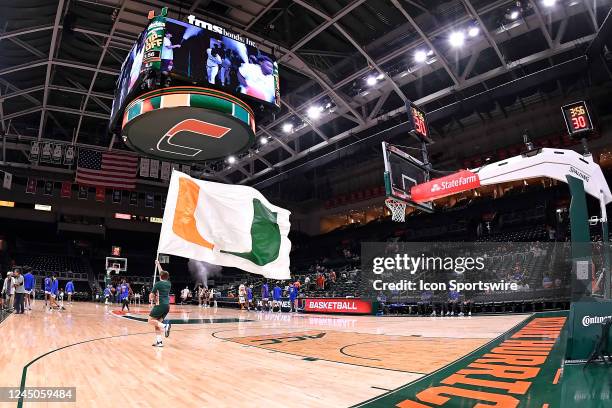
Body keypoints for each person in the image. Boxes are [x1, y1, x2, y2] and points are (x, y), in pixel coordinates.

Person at [148, 261, 172, 347]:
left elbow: (151, 295)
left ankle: (165, 326)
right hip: (167, 306)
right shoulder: (169, 283)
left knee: (150, 321)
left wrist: (151, 297)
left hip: (160, 305)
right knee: (156, 324)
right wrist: (158, 264)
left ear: (160, 276)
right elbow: (162, 273)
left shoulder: (157, 284)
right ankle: (159, 342)